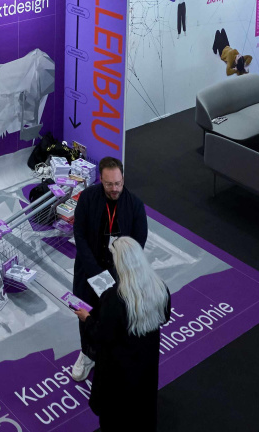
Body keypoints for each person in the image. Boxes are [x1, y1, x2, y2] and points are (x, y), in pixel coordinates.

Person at [69, 156, 148, 382]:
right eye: (109, 184)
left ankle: (110, 354)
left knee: (114, 316)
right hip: (88, 271)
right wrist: (94, 270)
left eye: (118, 183)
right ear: (100, 180)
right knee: (85, 313)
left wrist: (118, 271)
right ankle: (87, 354)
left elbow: (138, 243)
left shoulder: (135, 205)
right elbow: (80, 234)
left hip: (120, 274)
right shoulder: (87, 198)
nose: (115, 189)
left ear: (123, 179)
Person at [85, 236, 169, 430]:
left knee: (115, 418)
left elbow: (101, 335)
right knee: (142, 409)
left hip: (118, 373)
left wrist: (87, 319)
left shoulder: (114, 298)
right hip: (146, 365)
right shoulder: (159, 288)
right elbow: (164, 316)